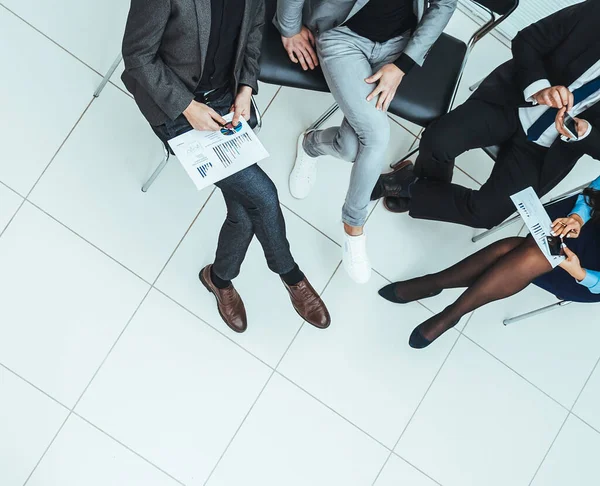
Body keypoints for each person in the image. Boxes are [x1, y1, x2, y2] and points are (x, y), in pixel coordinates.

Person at [121, 0, 330, 333]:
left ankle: (219, 279)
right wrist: (188, 107)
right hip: (176, 102)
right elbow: (137, 57)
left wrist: (246, 89)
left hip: (226, 97)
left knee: (245, 210)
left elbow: (254, 32)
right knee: (263, 196)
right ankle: (291, 275)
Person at [373, 0, 600, 229]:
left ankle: (411, 186)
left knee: (487, 215)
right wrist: (540, 87)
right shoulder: (595, 12)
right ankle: (420, 185)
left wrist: (587, 133)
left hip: (547, 151)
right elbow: (528, 40)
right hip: (513, 102)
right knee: (438, 140)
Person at [275, 0, 457, 283]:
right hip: (341, 32)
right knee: (375, 134)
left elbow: (444, 5)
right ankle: (353, 228)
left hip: (398, 45)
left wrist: (402, 65)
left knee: (351, 148)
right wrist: (289, 28)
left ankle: (311, 145)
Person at [379, 176, 600, 349]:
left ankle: (441, 296)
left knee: (517, 252)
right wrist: (578, 217)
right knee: (519, 252)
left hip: (590, 273)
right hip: (585, 222)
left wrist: (580, 274)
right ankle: (445, 303)